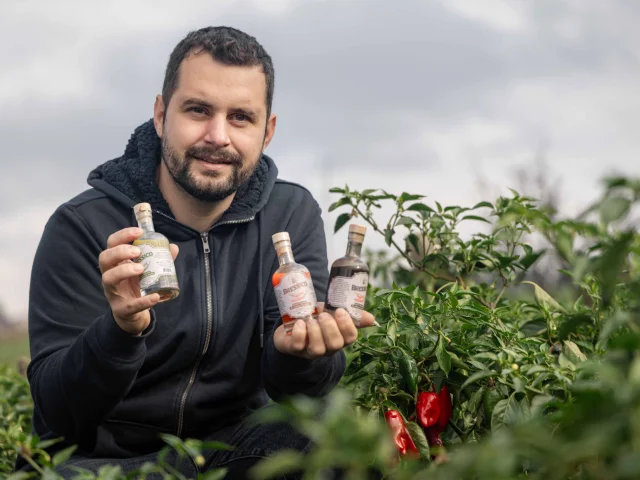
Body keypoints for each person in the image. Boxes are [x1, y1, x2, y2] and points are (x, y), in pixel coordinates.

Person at [21, 26, 375, 479]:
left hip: (233, 453)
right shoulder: (81, 225)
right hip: (108, 466)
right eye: (198, 110)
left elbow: (303, 393)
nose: (217, 135)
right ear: (160, 114)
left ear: (267, 132)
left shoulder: (291, 212)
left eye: (240, 117)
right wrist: (120, 331)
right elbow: (57, 413)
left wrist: (300, 355)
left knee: (334, 443)